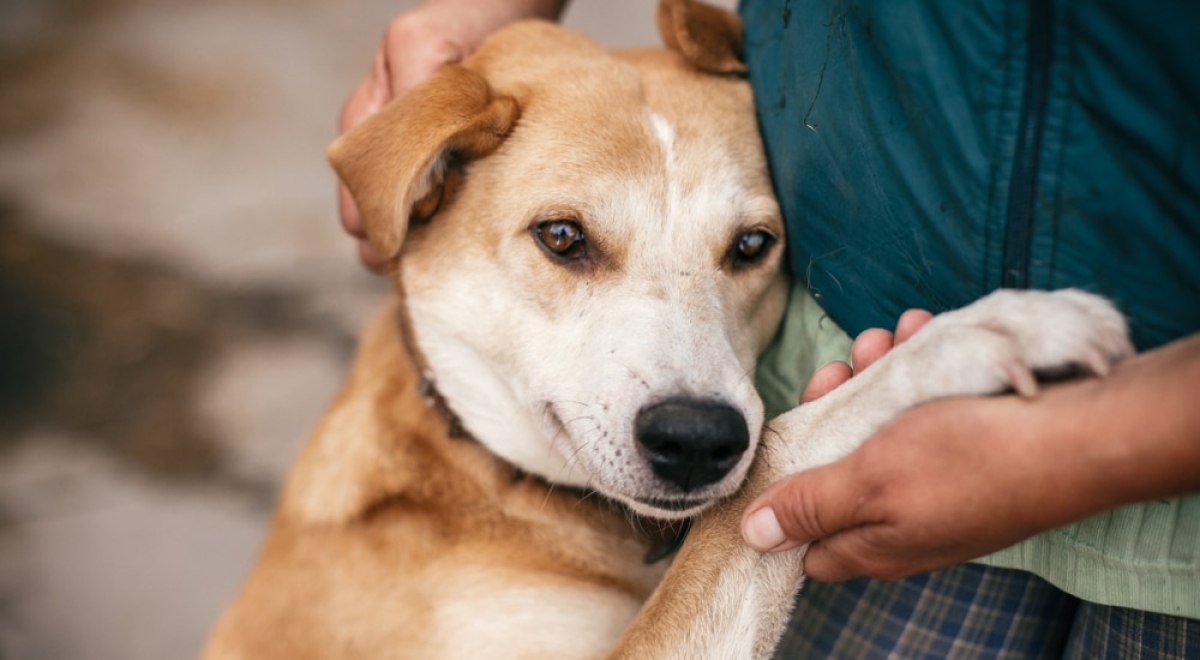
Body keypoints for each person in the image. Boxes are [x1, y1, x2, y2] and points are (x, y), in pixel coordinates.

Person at [336, 1, 1200, 657]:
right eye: (568, 241)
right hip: (874, 408)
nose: (687, 396)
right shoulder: (377, 559)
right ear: (427, 185)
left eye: (745, 247)